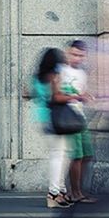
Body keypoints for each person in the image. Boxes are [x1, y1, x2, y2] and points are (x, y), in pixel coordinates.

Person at [31, 48, 87, 209]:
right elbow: (56, 97)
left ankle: (60, 191)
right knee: (59, 157)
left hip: (44, 119)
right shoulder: (53, 76)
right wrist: (75, 96)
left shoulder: (37, 78)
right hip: (56, 119)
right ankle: (53, 193)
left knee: (61, 155)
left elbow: (30, 94)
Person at [62, 41, 97, 204]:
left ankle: (76, 190)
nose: (77, 58)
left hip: (79, 116)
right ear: (68, 53)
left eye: (81, 56)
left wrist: (87, 96)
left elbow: (80, 93)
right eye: (74, 54)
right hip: (67, 117)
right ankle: (75, 193)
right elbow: (57, 94)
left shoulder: (82, 74)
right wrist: (77, 96)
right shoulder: (61, 71)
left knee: (87, 155)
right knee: (76, 156)